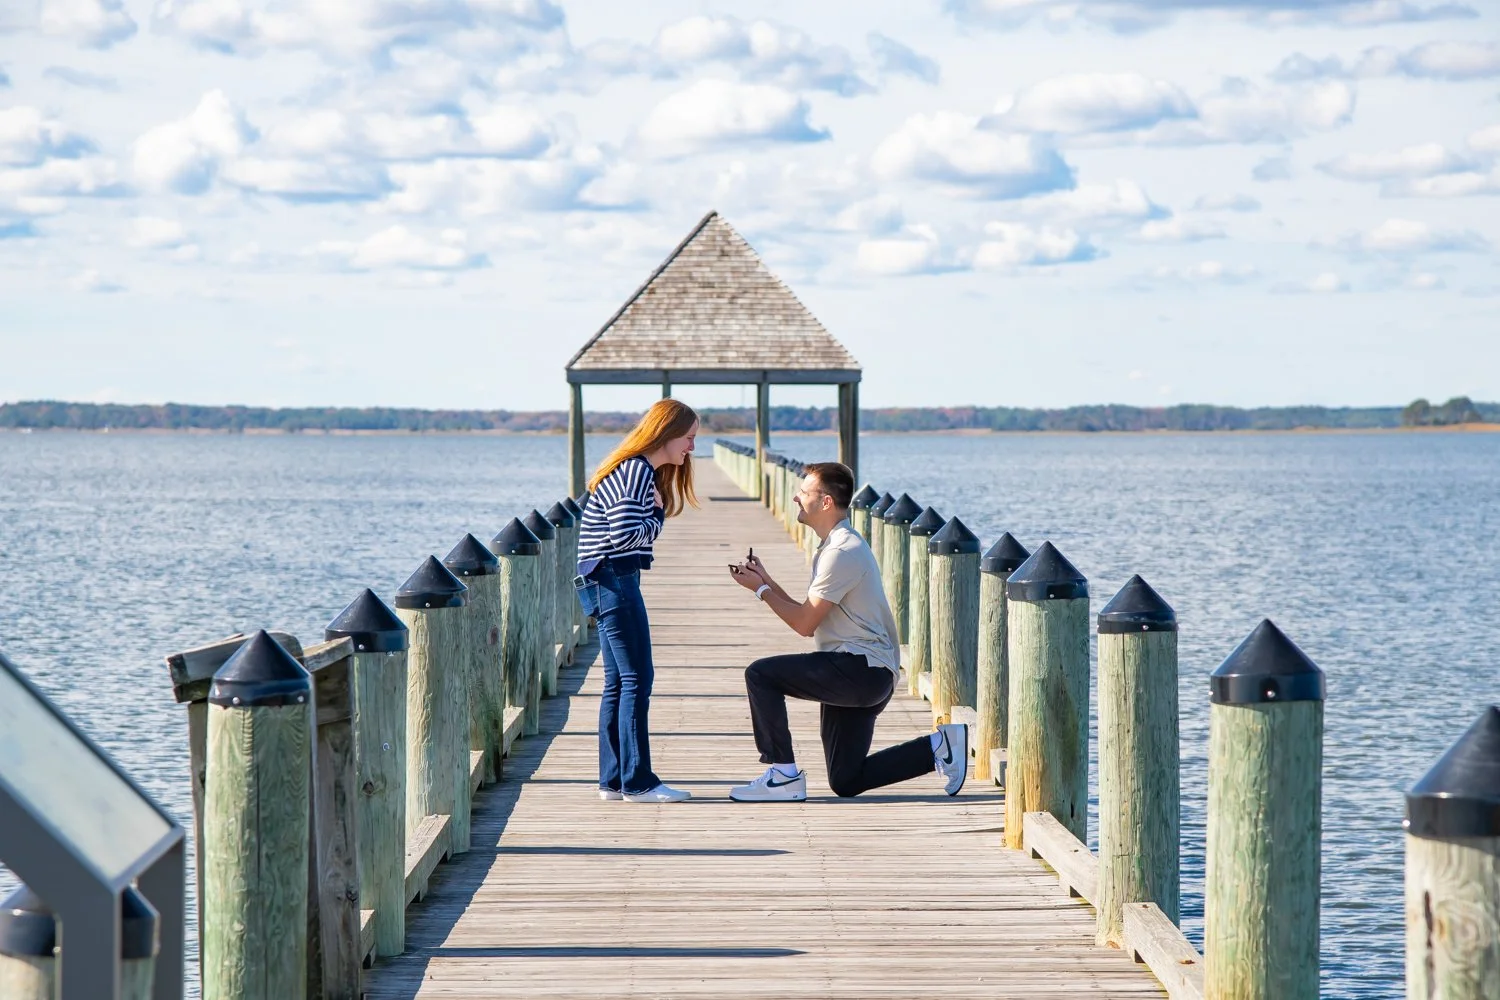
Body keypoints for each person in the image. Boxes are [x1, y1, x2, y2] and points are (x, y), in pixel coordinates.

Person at [726, 461, 967, 802]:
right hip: (862, 671)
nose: (796, 498)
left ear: (825, 502)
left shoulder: (842, 551)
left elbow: (804, 625)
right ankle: (939, 746)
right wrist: (765, 582)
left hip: (861, 670)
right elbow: (808, 613)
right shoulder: (835, 545)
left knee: (761, 675)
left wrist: (760, 592)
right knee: (846, 779)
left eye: (804, 492)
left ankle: (782, 775)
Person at [575, 399, 698, 803]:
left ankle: (613, 780)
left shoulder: (632, 469)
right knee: (636, 679)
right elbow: (625, 535)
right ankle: (637, 782)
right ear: (666, 433)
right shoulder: (635, 472)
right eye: (689, 438)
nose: (692, 448)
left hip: (600, 579)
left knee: (617, 682)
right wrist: (657, 518)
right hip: (614, 579)